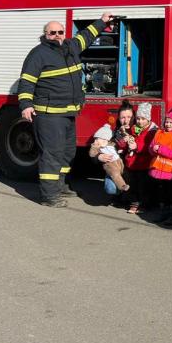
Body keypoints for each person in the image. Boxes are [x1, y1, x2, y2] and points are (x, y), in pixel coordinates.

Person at [17, 11, 112, 207]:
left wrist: (102, 21)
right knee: (52, 154)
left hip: (68, 113)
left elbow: (87, 35)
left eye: (60, 32)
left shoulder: (70, 46)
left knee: (67, 152)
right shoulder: (38, 54)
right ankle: (49, 196)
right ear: (45, 35)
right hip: (49, 114)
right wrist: (26, 105)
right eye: (52, 32)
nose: (57, 35)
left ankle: (59, 186)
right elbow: (26, 82)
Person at [117, 102, 158, 214]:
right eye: (138, 118)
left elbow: (149, 147)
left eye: (143, 119)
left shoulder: (152, 131)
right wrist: (123, 141)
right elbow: (126, 143)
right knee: (133, 184)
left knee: (144, 186)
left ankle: (145, 204)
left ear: (148, 119)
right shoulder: (134, 128)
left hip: (144, 163)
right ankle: (134, 202)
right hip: (132, 163)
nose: (140, 121)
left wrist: (137, 146)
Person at [148, 109, 172, 226]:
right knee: (162, 193)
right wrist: (153, 149)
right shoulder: (159, 133)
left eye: (171, 122)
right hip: (159, 169)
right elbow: (151, 147)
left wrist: (161, 149)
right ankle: (164, 212)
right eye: (166, 122)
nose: (168, 124)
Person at [87, 124, 129, 194]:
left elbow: (119, 144)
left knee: (124, 173)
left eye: (104, 139)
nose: (101, 141)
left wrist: (121, 148)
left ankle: (124, 194)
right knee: (115, 174)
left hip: (119, 162)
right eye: (97, 139)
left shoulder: (112, 143)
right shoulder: (98, 146)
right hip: (110, 164)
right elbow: (92, 154)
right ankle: (122, 186)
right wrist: (98, 156)